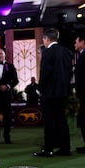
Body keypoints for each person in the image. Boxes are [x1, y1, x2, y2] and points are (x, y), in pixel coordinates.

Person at [33, 28, 73, 157]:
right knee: (62, 120)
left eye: (43, 39)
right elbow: (70, 72)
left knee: (49, 122)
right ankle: (65, 148)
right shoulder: (67, 52)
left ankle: (48, 149)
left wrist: (40, 89)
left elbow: (45, 73)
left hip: (49, 94)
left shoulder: (48, 52)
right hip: (63, 92)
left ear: (47, 39)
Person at [74, 33, 85, 153]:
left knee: (83, 120)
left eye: (76, 41)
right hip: (82, 94)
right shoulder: (81, 55)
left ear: (83, 42)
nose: (75, 44)